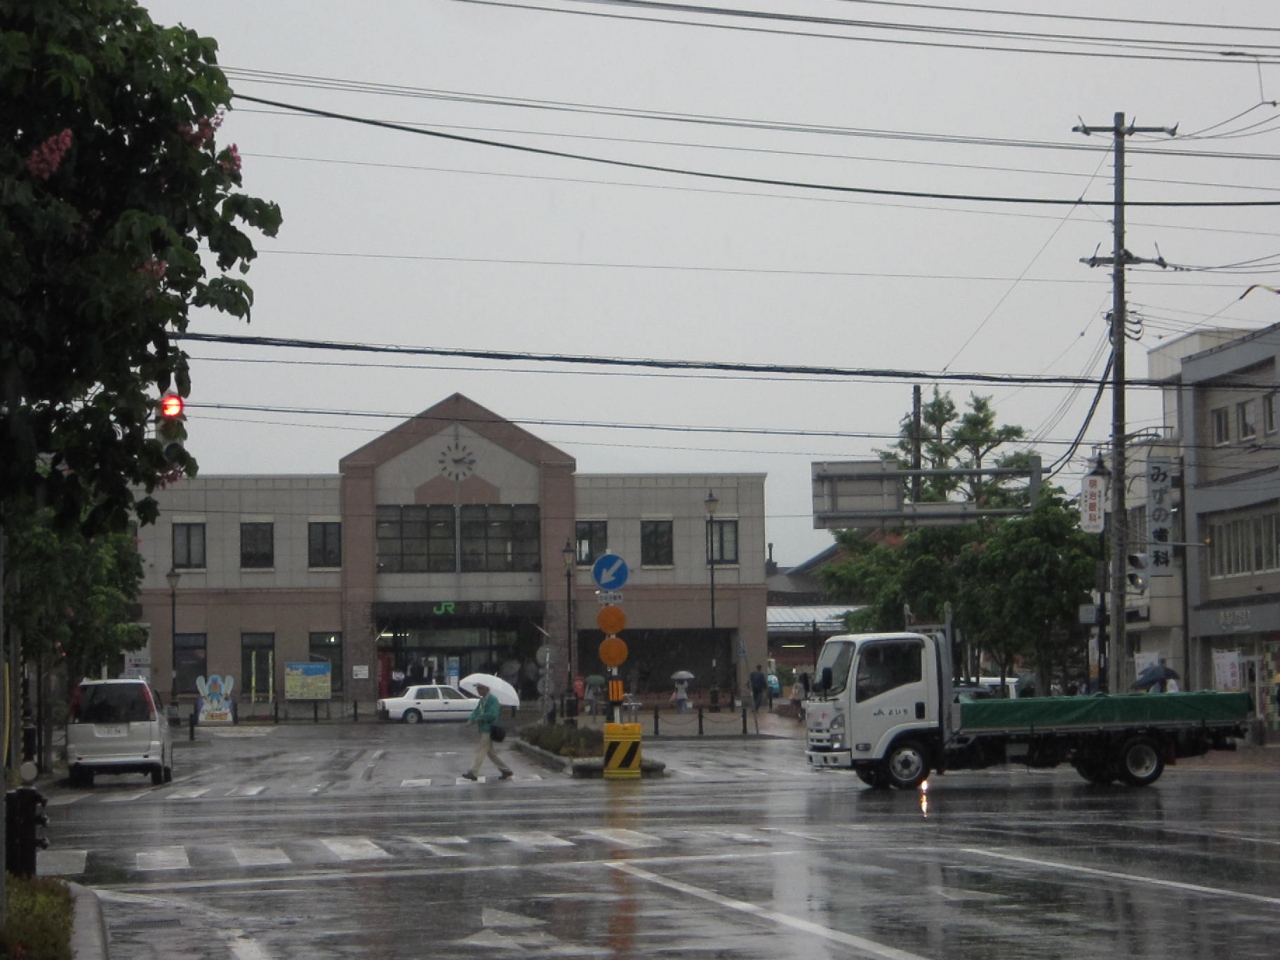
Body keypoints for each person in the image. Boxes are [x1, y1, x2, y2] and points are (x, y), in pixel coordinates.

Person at [463, 683, 513, 781]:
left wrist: (480, 718)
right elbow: (476, 711)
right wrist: (471, 720)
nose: (478, 691)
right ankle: (506, 770)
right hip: (483, 728)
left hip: (489, 728)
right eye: (478, 689)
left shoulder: (492, 700)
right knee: (490, 753)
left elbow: (493, 714)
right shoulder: (482, 700)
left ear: (486, 688)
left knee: (481, 750)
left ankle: (473, 772)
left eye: (480, 688)